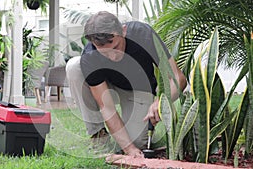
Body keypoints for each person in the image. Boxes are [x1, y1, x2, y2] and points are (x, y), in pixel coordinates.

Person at [66, 11, 187, 157]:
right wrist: (129, 149)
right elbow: (107, 108)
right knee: (74, 67)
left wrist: (161, 102)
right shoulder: (90, 56)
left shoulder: (144, 34)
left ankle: (135, 129)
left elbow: (178, 78)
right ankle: (99, 137)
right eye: (105, 53)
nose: (112, 57)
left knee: (137, 143)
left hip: (139, 90)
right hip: (107, 89)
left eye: (116, 47)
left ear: (123, 31)